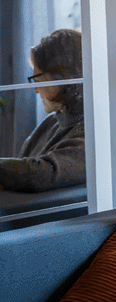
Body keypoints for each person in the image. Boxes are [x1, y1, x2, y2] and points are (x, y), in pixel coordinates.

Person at [0, 29, 85, 192]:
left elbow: (40, 173)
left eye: (37, 80)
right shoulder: (52, 122)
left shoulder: (92, 131)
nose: (36, 90)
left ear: (63, 76)